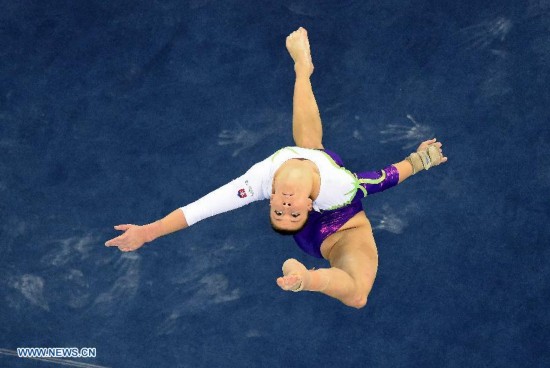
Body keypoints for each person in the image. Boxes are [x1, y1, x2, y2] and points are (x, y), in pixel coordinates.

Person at [105, 27, 447, 308]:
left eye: (278, 214)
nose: (285, 209)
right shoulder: (338, 187)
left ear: (269, 200)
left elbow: (198, 210)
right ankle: (306, 279)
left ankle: (302, 69)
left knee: (310, 148)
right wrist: (421, 160)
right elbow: (382, 179)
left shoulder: (258, 181)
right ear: (308, 207)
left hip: (316, 179)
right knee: (357, 296)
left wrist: (148, 231)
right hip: (342, 234)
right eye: (292, 215)